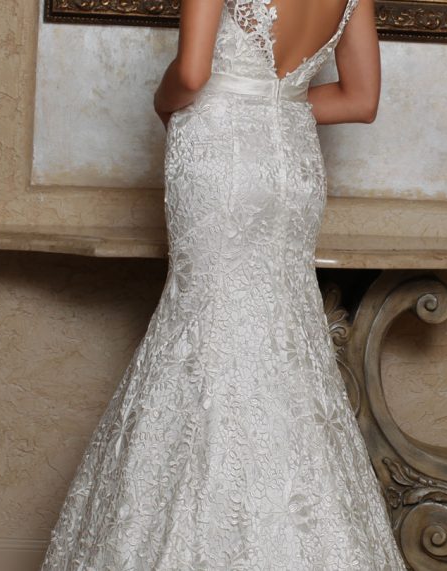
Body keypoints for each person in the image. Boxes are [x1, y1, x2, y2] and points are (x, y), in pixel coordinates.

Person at [40, 0, 407, 568]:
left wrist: (166, 102)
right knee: (283, 340)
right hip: (292, 165)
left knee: (204, 331)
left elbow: (191, 75)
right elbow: (361, 99)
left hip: (221, 158)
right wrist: (274, 102)